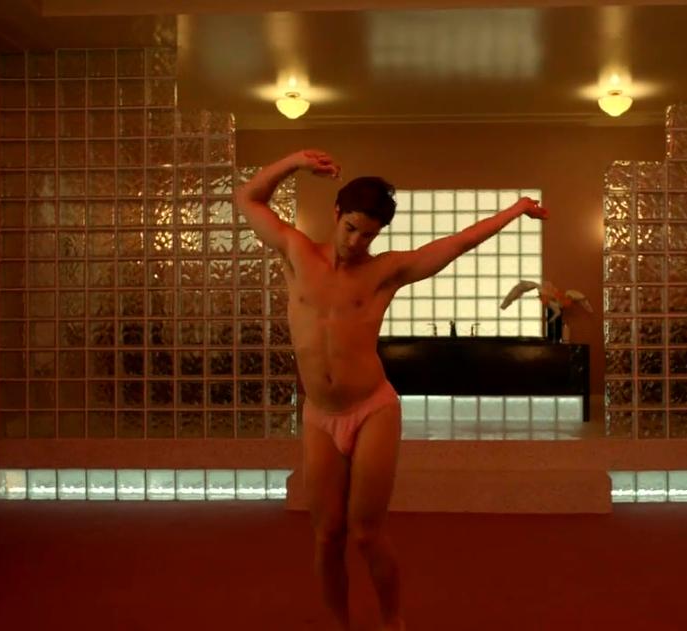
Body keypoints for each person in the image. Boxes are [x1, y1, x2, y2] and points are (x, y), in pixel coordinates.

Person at [234, 150, 549, 630]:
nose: (356, 242)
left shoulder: (384, 272)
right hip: (320, 413)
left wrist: (516, 209)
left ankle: (392, 621)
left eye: (369, 235)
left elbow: (458, 242)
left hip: (372, 409)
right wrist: (295, 161)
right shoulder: (296, 252)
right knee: (327, 535)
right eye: (351, 228)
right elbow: (248, 198)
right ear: (336, 213)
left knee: (365, 532)